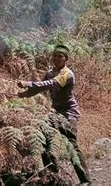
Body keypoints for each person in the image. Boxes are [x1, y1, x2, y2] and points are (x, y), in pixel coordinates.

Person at [17, 44, 91, 185]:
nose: (56, 58)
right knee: (45, 142)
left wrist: (27, 83)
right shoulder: (50, 72)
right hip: (55, 113)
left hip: (69, 114)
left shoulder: (67, 74)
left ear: (66, 59)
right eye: (55, 55)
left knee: (72, 147)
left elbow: (51, 84)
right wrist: (23, 94)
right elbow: (42, 86)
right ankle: (53, 177)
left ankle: (85, 181)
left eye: (60, 56)